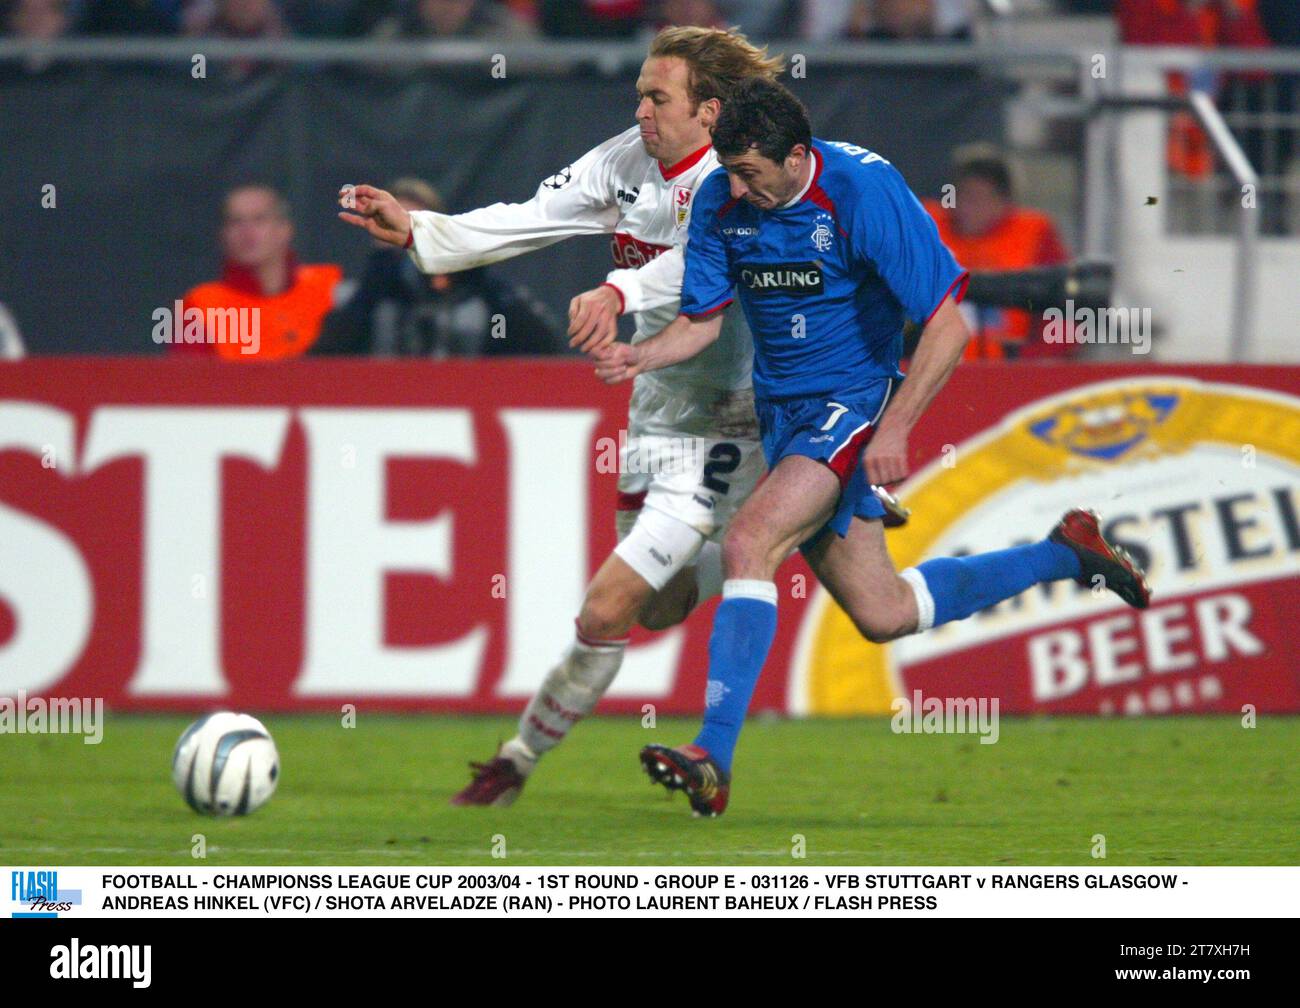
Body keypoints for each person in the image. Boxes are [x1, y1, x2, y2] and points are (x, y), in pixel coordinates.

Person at [591, 78, 1152, 817]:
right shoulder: (725, 202)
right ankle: (1069, 552)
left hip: (850, 406)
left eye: (752, 174)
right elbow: (700, 323)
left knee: (750, 542)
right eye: (728, 172)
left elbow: (947, 324)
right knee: (886, 613)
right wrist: (642, 356)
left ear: (797, 157)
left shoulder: (863, 189)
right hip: (782, 416)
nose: (738, 188)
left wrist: (893, 427)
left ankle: (713, 754)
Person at [338, 26, 784, 806]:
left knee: (606, 605)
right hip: (658, 413)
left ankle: (515, 760)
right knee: (660, 603)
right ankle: (781, 534)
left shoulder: (740, 174)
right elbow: (534, 214)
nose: (640, 109)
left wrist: (620, 292)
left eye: (657, 97)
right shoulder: (625, 160)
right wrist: (422, 230)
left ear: (709, 111)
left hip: (734, 416)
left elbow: (708, 266)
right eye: (640, 93)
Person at [316, 177, 563, 356]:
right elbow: (326, 359)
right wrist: (373, 288)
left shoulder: (479, 299)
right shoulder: (359, 298)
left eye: (412, 228)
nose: (402, 242)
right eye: (388, 226)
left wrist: (483, 280)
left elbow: (539, 348)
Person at [922, 145, 1072, 360]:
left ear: (1004, 201)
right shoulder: (927, 224)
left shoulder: (1034, 232)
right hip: (930, 359)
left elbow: (1065, 309)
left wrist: (1033, 359)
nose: (966, 207)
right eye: (961, 195)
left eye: (978, 198)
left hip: (1009, 366)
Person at [173, 184, 343, 360]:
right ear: (223, 235)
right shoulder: (201, 305)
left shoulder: (328, 289)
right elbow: (189, 381)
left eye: (259, 219)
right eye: (235, 221)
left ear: (285, 229)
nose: (246, 231)